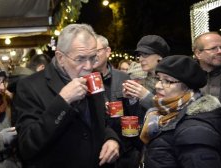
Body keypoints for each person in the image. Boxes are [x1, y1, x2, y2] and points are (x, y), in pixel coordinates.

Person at [12, 24, 120, 168]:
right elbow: (27, 145)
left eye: (93, 58)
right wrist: (63, 101)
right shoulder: (29, 86)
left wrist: (111, 138)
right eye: (80, 59)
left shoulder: (94, 79)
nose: (88, 66)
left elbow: (101, 122)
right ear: (60, 57)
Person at [139, 55, 221, 168]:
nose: (158, 86)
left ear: (188, 87)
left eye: (167, 81)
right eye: (158, 79)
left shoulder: (195, 131)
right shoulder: (165, 113)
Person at [93, 34, 142, 168]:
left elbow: (135, 113)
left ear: (108, 51)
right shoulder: (83, 79)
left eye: (97, 51)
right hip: (98, 150)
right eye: (90, 52)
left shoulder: (123, 77)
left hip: (125, 149)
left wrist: (132, 100)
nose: (93, 56)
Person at [193, 31, 221, 166]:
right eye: (213, 48)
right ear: (198, 53)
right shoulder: (185, 77)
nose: (219, 51)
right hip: (196, 147)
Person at [123, 35, 170, 110]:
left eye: (145, 54)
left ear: (160, 56)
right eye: (140, 55)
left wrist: (146, 96)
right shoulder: (141, 80)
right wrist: (132, 98)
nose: (141, 59)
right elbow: (138, 115)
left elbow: (172, 111)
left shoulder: (173, 81)